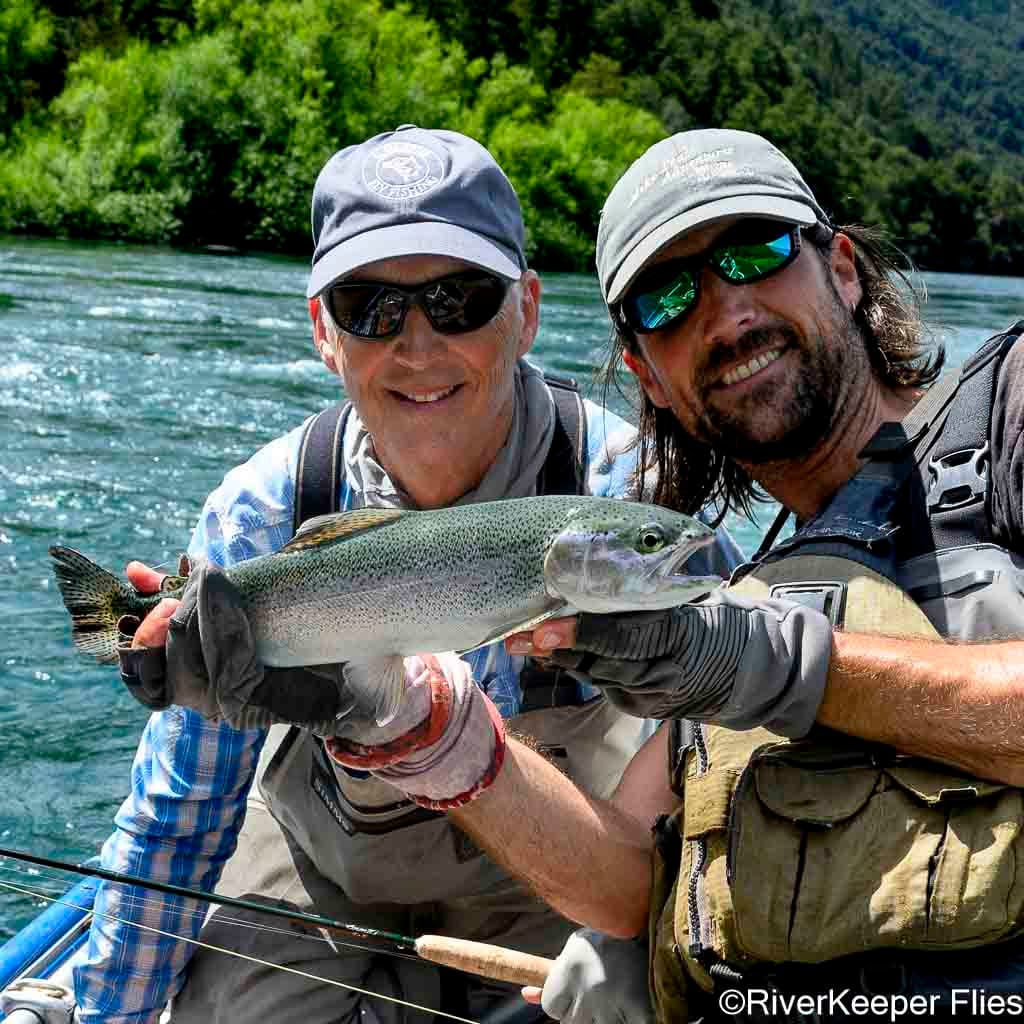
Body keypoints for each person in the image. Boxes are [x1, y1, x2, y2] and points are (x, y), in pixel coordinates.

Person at [110, 127, 1024, 1021]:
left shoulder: (1004, 411)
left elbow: (640, 874)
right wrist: (423, 729)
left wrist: (770, 664)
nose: (725, 311)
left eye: (756, 252)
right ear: (648, 371)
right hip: (325, 880)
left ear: (846, 268)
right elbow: (632, 874)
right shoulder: (266, 507)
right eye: (667, 297)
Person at [73, 124, 743, 1024]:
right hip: (322, 884)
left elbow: (724, 769)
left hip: (563, 880)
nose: (418, 346)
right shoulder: (264, 509)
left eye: (461, 299)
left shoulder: (625, 491)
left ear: (528, 310)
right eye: (370, 307)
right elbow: (179, 815)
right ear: (323, 330)